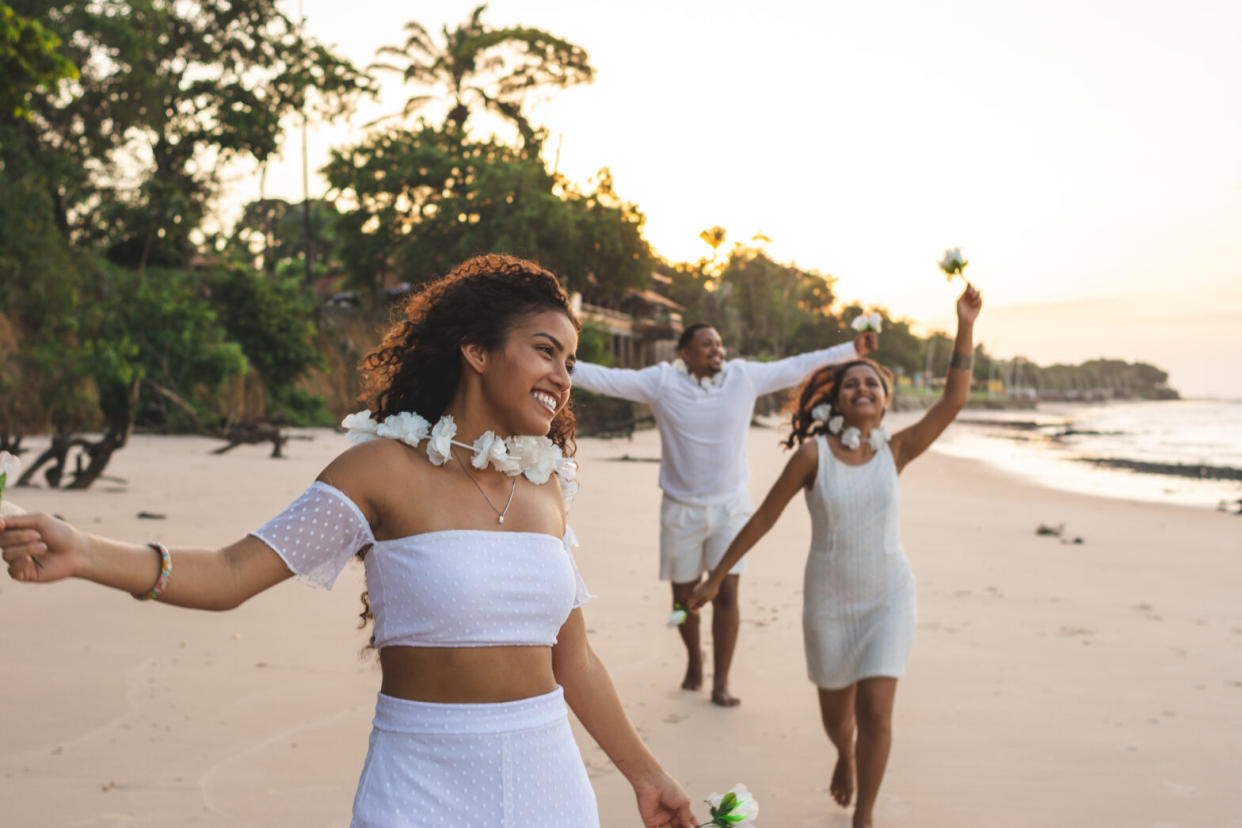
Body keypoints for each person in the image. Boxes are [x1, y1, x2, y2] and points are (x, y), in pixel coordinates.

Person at [1, 255, 697, 828]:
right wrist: (85, 552)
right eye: (547, 352)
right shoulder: (380, 472)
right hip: (421, 787)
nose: (562, 378)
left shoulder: (546, 489)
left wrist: (647, 776)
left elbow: (573, 660)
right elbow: (230, 571)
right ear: (477, 351)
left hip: (551, 784)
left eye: (570, 363)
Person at [689, 285, 982, 827]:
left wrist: (964, 324)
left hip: (889, 595)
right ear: (836, 399)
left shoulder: (897, 450)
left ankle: (864, 814)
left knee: (876, 712)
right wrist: (716, 575)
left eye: (872, 382)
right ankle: (844, 754)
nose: (864, 387)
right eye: (853, 382)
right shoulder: (812, 455)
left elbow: (954, 401)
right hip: (828, 601)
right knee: (836, 717)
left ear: (884, 399)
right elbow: (763, 518)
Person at [572, 322, 877, 706]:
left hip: (731, 507)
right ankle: (695, 662)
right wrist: (561, 365)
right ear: (684, 353)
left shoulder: (743, 377)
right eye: (706, 345)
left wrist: (853, 348)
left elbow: (798, 365)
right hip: (680, 509)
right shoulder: (661, 382)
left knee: (727, 592)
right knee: (684, 598)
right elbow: (606, 379)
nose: (717, 350)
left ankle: (722, 682)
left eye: (719, 344)